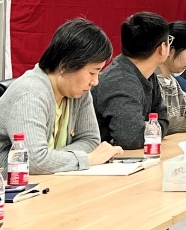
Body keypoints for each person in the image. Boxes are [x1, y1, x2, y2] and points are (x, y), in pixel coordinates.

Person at [0, 18, 122, 173]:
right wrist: (87, 159)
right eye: (92, 72)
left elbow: (90, 140)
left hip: (51, 179)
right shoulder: (29, 93)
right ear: (65, 66)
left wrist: (51, 159)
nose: (95, 81)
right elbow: (33, 160)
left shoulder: (79, 92)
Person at [92, 12, 171, 150]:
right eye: (169, 41)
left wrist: (149, 128)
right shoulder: (120, 81)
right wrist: (151, 128)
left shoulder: (148, 75)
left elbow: (163, 119)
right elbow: (130, 138)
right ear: (162, 48)